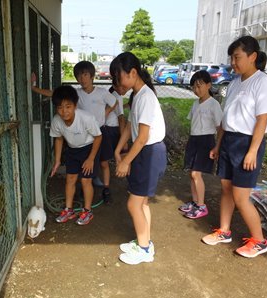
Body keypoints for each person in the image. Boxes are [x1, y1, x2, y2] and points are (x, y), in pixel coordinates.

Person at [201, 36, 267, 258]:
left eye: (237, 57)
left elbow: (262, 119)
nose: (233, 62)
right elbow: (227, 118)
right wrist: (218, 144)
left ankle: (259, 241)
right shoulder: (234, 83)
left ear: (253, 56)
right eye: (231, 58)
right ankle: (224, 231)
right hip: (229, 141)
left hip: (247, 143)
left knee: (241, 197)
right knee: (225, 188)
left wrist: (252, 150)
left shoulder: (263, 82)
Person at [31, 61, 117, 203]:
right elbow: (54, 93)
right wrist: (34, 89)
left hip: (99, 131)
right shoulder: (75, 94)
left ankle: (106, 189)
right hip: (83, 134)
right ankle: (85, 189)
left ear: (92, 76)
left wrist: (105, 114)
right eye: (78, 76)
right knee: (84, 165)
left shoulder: (102, 92)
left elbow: (114, 103)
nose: (82, 78)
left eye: (85, 75)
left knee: (103, 162)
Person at [110, 52, 166, 265]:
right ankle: (145, 242)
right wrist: (118, 149)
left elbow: (142, 137)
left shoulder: (145, 97)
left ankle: (144, 250)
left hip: (149, 152)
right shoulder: (138, 95)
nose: (117, 83)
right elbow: (131, 128)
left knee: (134, 204)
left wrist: (126, 161)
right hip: (145, 151)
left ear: (133, 73)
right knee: (141, 202)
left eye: (119, 77)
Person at [49, 85, 102, 225]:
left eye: (68, 106)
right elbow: (59, 139)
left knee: (86, 180)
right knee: (70, 179)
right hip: (72, 150)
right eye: (60, 107)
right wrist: (57, 160)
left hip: (89, 148)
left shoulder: (86, 118)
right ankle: (69, 210)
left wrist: (91, 159)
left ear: (75, 105)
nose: (64, 111)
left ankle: (87, 211)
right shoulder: (56, 121)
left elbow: (98, 137)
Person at [179, 70, 222, 219]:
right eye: (194, 87)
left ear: (209, 85)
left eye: (200, 86)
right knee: (192, 173)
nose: (196, 90)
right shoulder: (195, 104)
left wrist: (217, 146)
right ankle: (195, 202)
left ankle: (202, 206)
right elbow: (193, 123)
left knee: (196, 174)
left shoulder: (214, 104)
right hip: (194, 140)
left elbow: (220, 127)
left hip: (206, 141)